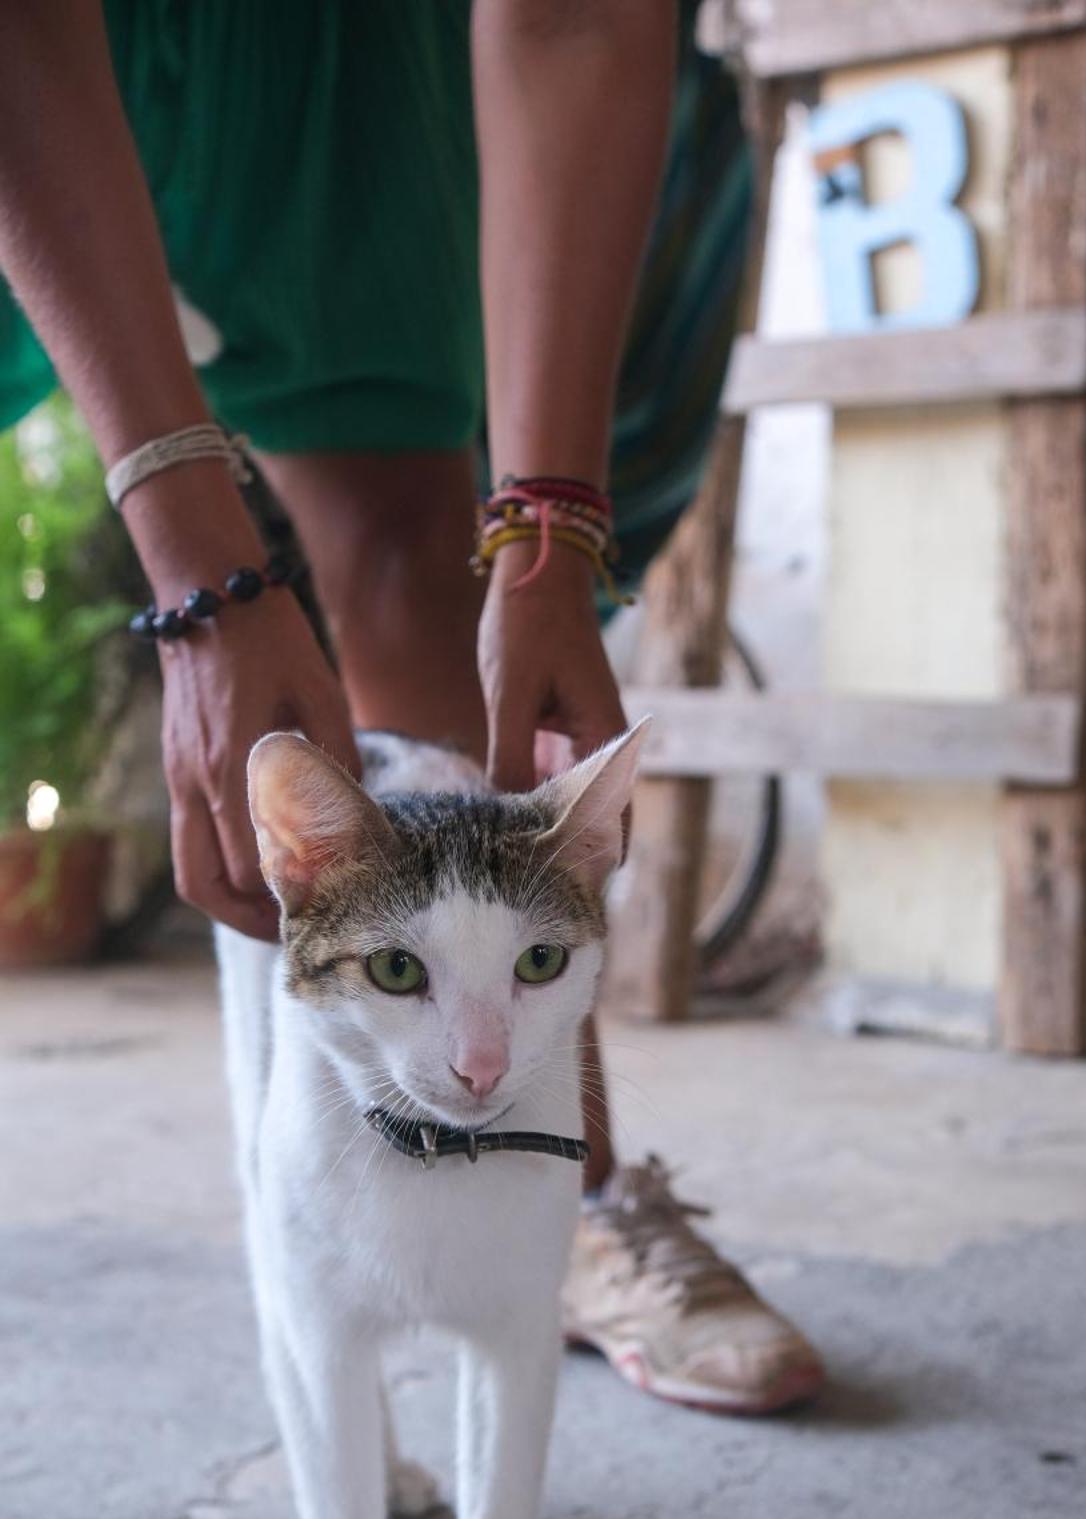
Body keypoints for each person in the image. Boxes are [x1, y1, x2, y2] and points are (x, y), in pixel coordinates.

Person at [0, 0, 824, 1415]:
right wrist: (202, 584)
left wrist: (550, 538)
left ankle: (578, 1192)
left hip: (341, 50)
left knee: (405, 534)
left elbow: (572, 22)